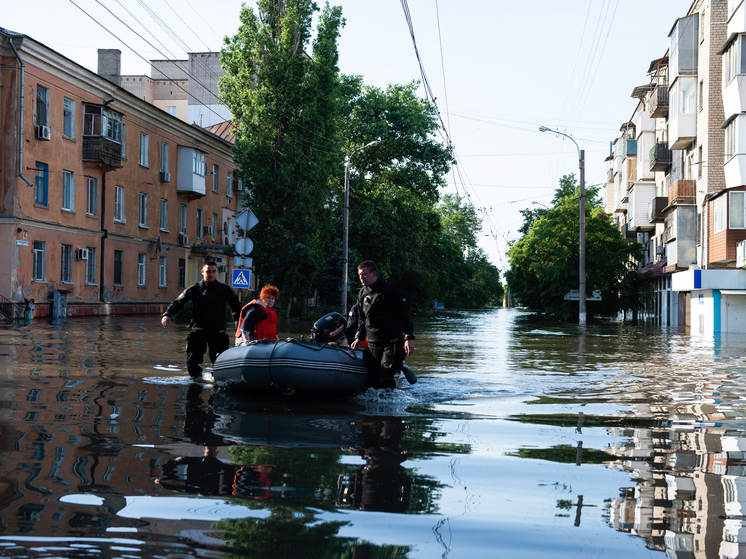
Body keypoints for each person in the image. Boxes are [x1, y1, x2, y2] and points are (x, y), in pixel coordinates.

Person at [161, 260, 242, 379]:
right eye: (208, 271)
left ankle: (217, 385)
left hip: (218, 332)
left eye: (214, 271)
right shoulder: (195, 289)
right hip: (198, 331)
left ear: (217, 272)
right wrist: (168, 314)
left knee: (220, 363)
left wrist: (239, 325)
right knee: (192, 363)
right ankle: (195, 386)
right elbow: (179, 302)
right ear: (202, 272)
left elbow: (236, 307)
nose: (211, 274)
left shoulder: (224, 290)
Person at [350, 260, 415, 389]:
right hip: (373, 344)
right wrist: (359, 337)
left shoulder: (389, 290)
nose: (361, 278)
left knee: (385, 375)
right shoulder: (362, 294)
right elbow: (362, 319)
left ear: (374, 274)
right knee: (374, 381)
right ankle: (376, 407)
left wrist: (409, 338)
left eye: (364, 274)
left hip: (391, 342)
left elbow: (404, 315)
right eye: (359, 275)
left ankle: (391, 407)